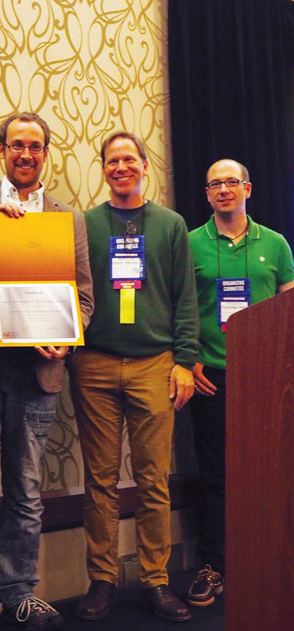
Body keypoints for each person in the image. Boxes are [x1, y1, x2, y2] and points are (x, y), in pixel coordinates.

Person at [0, 112, 94, 631]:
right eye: (16, 146)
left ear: (45, 154)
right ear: (0, 150)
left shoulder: (67, 219)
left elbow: (85, 299)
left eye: (35, 147)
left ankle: (18, 592)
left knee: (27, 490)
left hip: (37, 373)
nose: (25, 154)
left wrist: (66, 339)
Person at [68, 131, 198, 623]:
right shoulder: (85, 223)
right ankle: (101, 581)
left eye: (130, 159)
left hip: (154, 363)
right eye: (112, 161)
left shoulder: (170, 225)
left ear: (145, 166)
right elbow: (69, 287)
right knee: (99, 480)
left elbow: (185, 298)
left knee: (152, 479)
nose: (121, 167)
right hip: (95, 363)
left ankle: (156, 581)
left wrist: (184, 360)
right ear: (103, 169)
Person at [187, 159, 294, 607]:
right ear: (208, 194)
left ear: (247, 188)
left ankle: (271, 562)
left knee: (271, 475)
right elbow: (181, 307)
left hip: (268, 381)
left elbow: (289, 310)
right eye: (216, 184)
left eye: (232, 182)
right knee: (215, 475)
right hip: (211, 377)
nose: (224, 189)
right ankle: (215, 565)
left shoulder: (276, 244)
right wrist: (186, 359)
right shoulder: (190, 243)